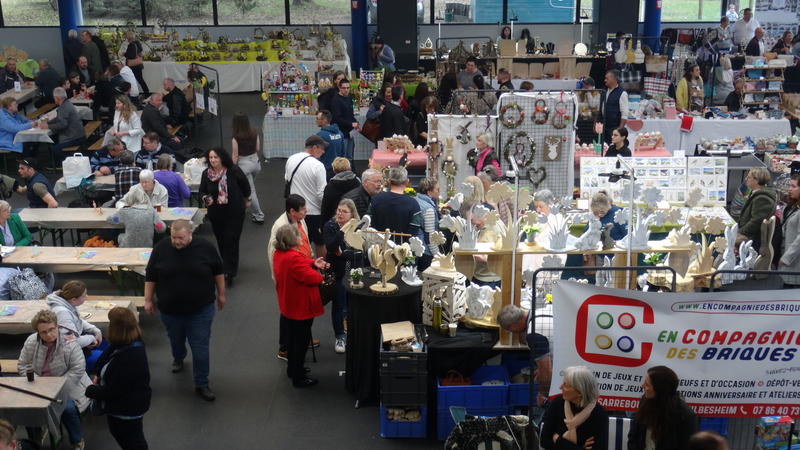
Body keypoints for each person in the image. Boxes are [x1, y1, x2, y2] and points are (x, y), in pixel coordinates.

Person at [144, 219, 225, 401]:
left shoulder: (205, 247)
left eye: (180, 238)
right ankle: (178, 356)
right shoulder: (161, 248)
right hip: (170, 310)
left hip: (200, 310)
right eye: (173, 237)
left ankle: (201, 383)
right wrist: (148, 299)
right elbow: (151, 275)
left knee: (200, 348)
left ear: (190, 233)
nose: (176, 242)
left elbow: (218, 271)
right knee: (176, 339)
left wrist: (221, 294)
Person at [18, 309, 90, 450]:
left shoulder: (70, 343)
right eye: (44, 332)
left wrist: (56, 388)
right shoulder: (31, 341)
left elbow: (77, 369)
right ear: (38, 332)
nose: (49, 334)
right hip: (37, 387)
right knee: (27, 409)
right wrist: (37, 383)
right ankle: (35, 439)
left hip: (65, 387)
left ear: (57, 326)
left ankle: (77, 440)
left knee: (68, 409)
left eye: (52, 329)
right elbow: (22, 365)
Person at [85, 307, 151, 450]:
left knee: (133, 441)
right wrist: (97, 372)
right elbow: (106, 354)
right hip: (119, 406)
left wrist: (91, 391)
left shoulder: (130, 357)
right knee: (119, 433)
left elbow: (115, 391)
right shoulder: (128, 341)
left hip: (127, 407)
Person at [273, 223, 329, 387]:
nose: (301, 238)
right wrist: (319, 273)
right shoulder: (293, 258)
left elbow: (299, 265)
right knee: (301, 341)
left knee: (292, 340)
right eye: (298, 236)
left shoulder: (280, 253)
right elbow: (314, 278)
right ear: (292, 240)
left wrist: (312, 263)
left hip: (288, 303)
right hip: (300, 306)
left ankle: (292, 369)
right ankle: (298, 377)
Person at [268, 194, 314, 360]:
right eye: (302, 210)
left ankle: (303, 338)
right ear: (292, 211)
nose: (306, 211)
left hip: (302, 269)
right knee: (288, 312)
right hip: (290, 278)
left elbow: (306, 242)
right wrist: (279, 279)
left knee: (302, 309)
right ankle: (285, 347)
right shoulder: (280, 227)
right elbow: (273, 254)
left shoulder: (300, 220)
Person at [200, 147, 251, 285]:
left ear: (222, 158)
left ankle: (230, 272)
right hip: (216, 213)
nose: (213, 160)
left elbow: (246, 186)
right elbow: (202, 191)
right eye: (211, 158)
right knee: (221, 240)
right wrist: (206, 198)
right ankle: (226, 263)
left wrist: (246, 199)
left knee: (231, 240)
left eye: (215, 157)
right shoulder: (206, 174)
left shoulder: (233, 171)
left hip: (234, 212)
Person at [628, 365, 697, 450]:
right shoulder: (644, 402)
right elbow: (633, 436)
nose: (642, 386)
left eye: (647, 384)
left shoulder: (685, 415)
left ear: (660, 389)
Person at [541, 366, 608, 450]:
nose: (560, 387)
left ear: (580, 391)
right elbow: (544, 441)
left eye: (565, 385)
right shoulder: (557, 403)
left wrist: (557, 439)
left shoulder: (599, 413)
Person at [323, 199, 359, 353]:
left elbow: (361, 252)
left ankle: (353, 334)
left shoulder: (359, 227)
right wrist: (343, 230)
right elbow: (331, 247)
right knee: (338, 305)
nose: (340, 213)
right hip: (337, 274)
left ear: (352, 214)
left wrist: (343, 253)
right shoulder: (330, 226)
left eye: (344, 211)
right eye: (338, 210)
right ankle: (339, 336)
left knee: (352, 305)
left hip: (354, 273)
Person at [46, 280, 106, 371]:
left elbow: (78, 320)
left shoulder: (67, 304)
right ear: (74, 299)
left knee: (106, 344)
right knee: (106, 358)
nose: (87, 297)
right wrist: (91, 338)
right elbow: (71, 341)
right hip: (68, 357)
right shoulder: (62, 313)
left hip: (74, 346)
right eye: (84, 295)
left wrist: (94, 330)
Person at [285, 136, 328, 258]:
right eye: (322, 149)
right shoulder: (318, 166)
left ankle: (300, 268)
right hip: (313, 212)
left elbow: (287, 179)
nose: (323, 152)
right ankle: (322, 271)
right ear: (315, 148)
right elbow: (321, 193)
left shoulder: (291, 159)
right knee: (320, 243)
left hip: (294, 211)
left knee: (297, 243)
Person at [368, 167, 421, 241]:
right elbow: (414, 230)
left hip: (378, 249)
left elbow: (369, 223)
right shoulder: (413, 204)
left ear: (389, 181)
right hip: (404, 249)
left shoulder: (375, 200)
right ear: (407, 182)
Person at [231, 112, 264, 223]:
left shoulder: (235, 138)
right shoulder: (254, 132)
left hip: (244, 165)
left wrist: (231, 169)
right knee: (247, 187)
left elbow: (235, 156)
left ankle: (259, 215)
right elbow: (258, 148)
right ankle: (242, 205)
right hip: (256, 163)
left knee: (250, 190)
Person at [736, 167, 777, 249]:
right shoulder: (756, 193)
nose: (746, 179)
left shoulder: (762, 198)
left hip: (751, 238)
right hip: (748, 234)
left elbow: (756, 221)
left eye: (749, 177)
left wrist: (740, 232)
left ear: (757, 180)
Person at [46, 87, 85, 163]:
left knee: (55, 148)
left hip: (74, 137)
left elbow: (63, 124)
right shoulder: (67, 103)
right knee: (54, 139)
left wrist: (48, 126)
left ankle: (68, 162)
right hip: (79, 134)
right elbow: (58, 118)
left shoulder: (63, 107)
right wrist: (48, 123)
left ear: (57, 98)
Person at [321, 157, 360, 221]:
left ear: (334, 170)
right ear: (349, 168)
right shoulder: (357, 182)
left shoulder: (330, 186)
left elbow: (326, 208)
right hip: (354, 219)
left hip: (337, 219)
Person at [330, 78, 358, 161]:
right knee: (342, 158)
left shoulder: (349, 98)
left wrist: (356, 123)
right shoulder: (335, 100)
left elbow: (350, 115)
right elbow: (336, 118)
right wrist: (351, 124)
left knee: (350, 156)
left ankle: (349, 172)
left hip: (350, 133)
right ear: (339, 88)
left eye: (348, 88)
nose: (346, 90)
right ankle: (342, 173)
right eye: (344, 88)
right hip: (341, 133)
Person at [415, 177, 440, 271]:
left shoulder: (415, 200)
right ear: (429, 192)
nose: (439, 192)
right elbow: (430, 235)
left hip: (415, 247)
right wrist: (437, 255)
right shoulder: (428, 208)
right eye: (437, 189)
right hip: (425, 251)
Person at [780, 174, 800, 287]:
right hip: (786, 260)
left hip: (794, 263)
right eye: (789, 185)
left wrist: (786, 258)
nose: (789, 189)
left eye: (793, 186)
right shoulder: (793, 206)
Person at [600, 70, 628, 144]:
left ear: (614, 79)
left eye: (607, 78)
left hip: (614, 128)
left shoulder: (622, 93)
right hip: (604, 127)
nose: (605, 80)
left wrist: (619, 131)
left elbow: (624, 114)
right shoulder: (604, 91)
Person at [316, 110, 345, 180]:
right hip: (338, 168)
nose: (316, 121)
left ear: (324, 120)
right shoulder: (340, 133)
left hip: (325, 170)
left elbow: (317, 155)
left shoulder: (320, 135)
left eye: (317, 118)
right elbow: (343, 152)